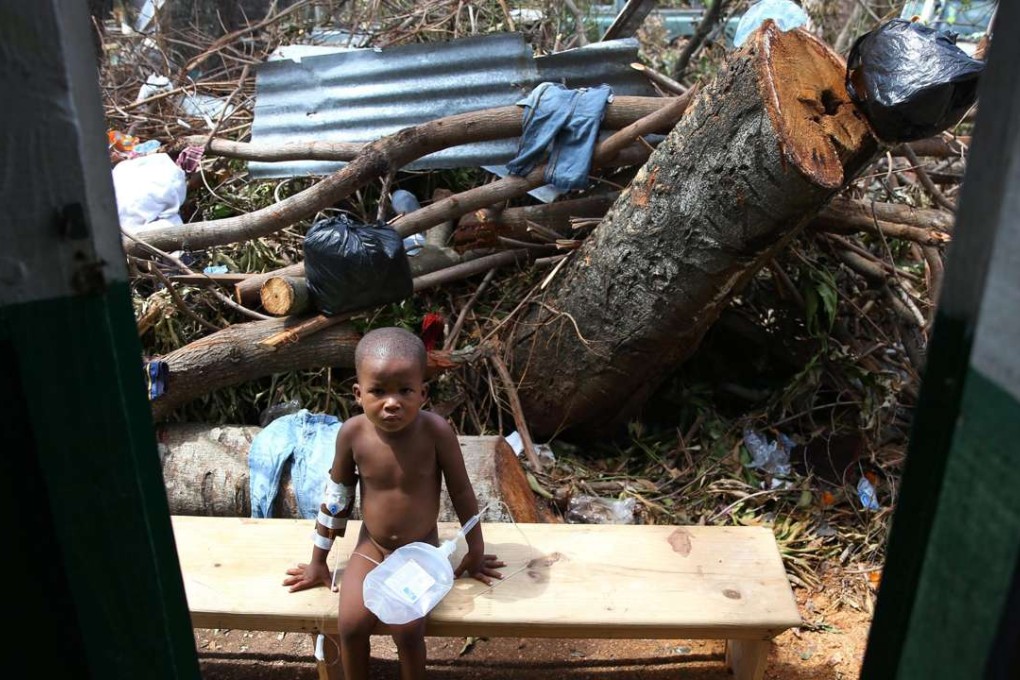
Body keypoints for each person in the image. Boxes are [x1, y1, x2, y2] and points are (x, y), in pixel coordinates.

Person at [282, 326, 504, 680]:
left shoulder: (436, 433)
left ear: (423, 393)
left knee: (407, 630)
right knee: (351, 626)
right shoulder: (353, 434)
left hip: (419, 551)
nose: (392, 402)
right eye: (378, 391)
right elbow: (336, 498)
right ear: (358, 393)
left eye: (405, 390)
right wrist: (317, 562)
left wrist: (474, 549)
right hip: (372, 546)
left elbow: (462, 492)